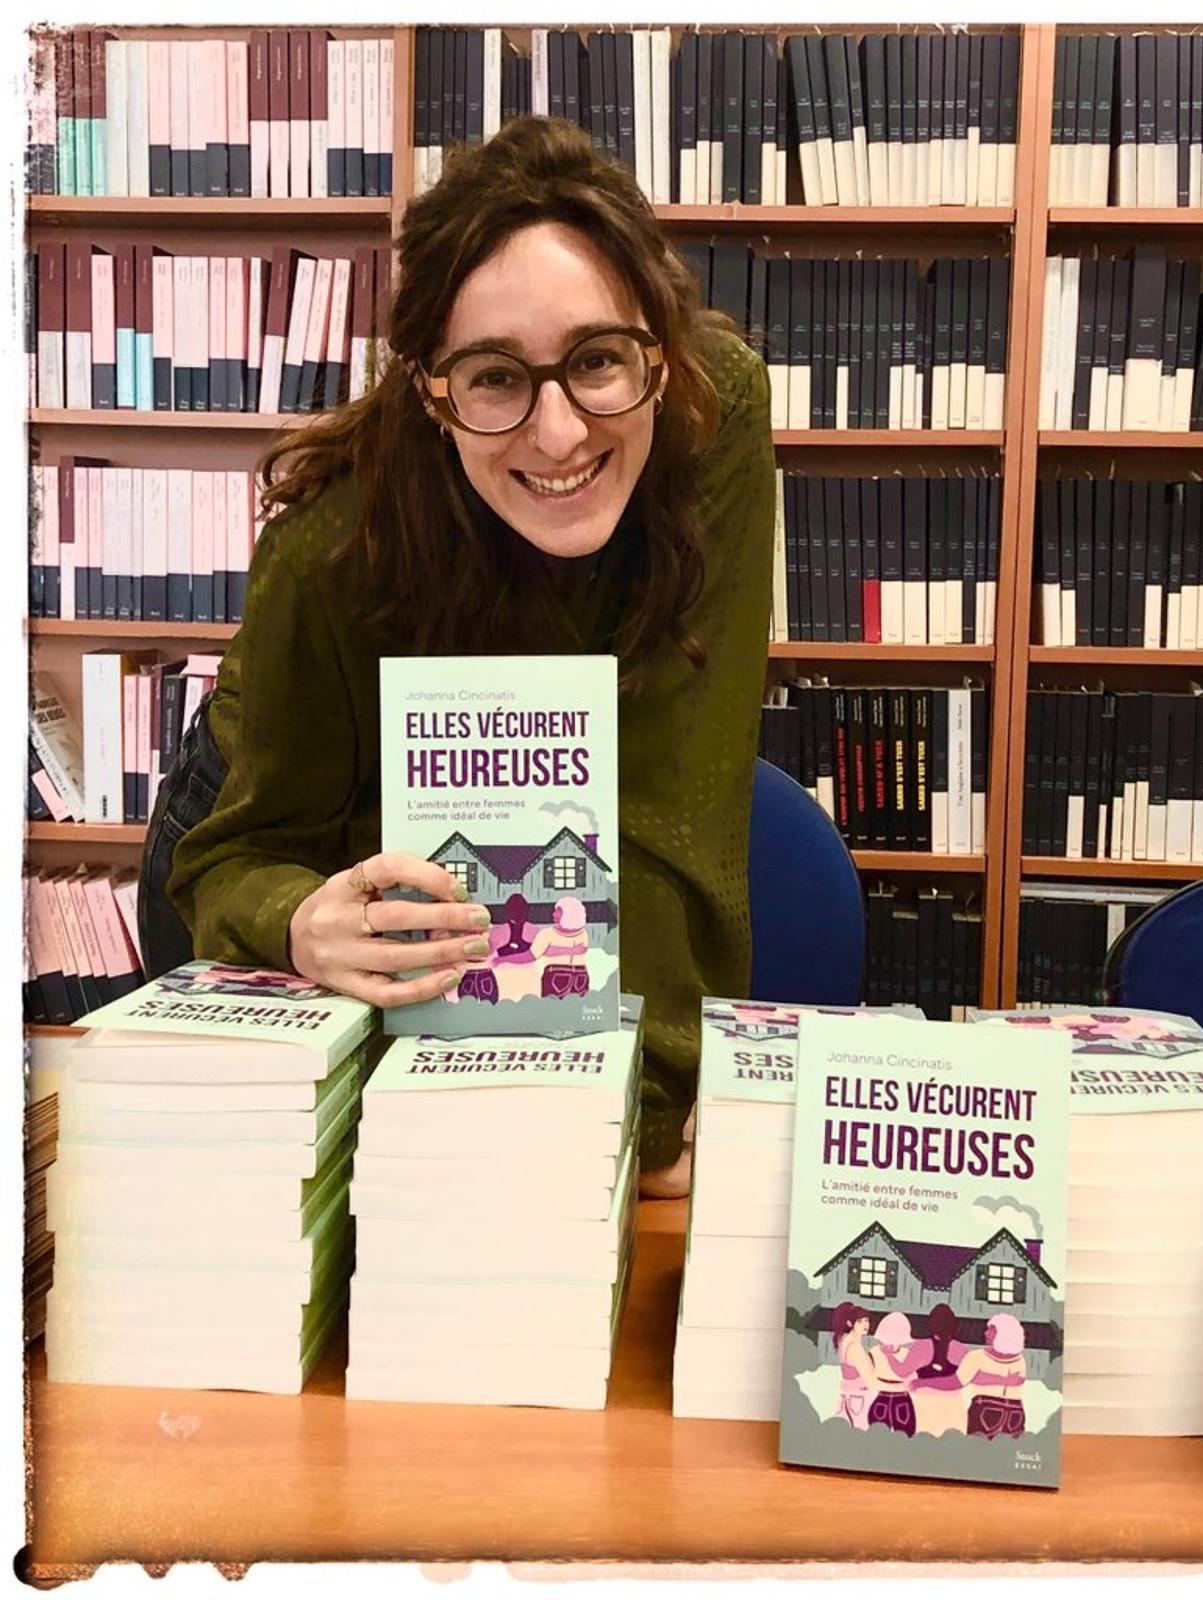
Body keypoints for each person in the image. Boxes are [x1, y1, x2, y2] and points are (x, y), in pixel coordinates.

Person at [164, 117, 775, 1195]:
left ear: (662, 349)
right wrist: (298, 924)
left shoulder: (712, 408)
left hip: (543, 850)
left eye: (598, 359)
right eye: (495, 377)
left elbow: (681, 787)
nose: (559, 435)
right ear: (430, 389)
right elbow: (234, 861)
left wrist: (646, 1112)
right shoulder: (330, 551)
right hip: (317, 826)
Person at [957, 1313, 1028, 1440]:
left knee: (978, 1449)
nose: (985, 1333)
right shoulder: (1020, 1359)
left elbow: (965, 1379)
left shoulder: (977, 1356)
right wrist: (1005, 1380)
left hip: (986, 1409)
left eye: (991, 1330)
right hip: (1015, 1412)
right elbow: (1018, 1381)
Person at [907, 1303, 969, 1437]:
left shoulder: (921, 1347)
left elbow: (905, 1373)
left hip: (924, 1404)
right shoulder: (961, 1350)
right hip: (953, 1405)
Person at [864, 1313, 918, 1438]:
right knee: (877, 1433)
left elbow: (913, 1377)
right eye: (888, 1339)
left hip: (902, 1400)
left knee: (905, 1433)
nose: (891, 1344)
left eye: (896, 1341)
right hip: (882, 1398)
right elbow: (868, 1376)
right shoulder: (875, 1352)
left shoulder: (907, 1353)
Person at [831, 1303, 872, 1430]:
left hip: (850, 1397)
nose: (865, 1324)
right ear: (850, 1323)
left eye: (866, 1320)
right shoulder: (854, 1347)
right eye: (860, 1321)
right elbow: (869, 1380)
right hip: (858, 1399)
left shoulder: (847, 1341)